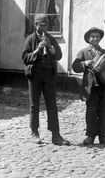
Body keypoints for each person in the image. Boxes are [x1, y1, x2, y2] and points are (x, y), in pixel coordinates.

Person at [22, 13, 70, 146]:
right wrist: (37, 51)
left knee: (52, 105)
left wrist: (51, 49)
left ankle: (56, 135)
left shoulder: (50, 38)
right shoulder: (30, 39)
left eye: (45, 25)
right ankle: (34, 132)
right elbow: (25, 58)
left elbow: (59, 56)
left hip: (48, 75)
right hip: (35, 75)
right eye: (40, 25)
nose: (43, 28)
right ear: (35, 25)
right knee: (34, 104)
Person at [71, 27, 105, 146]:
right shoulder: (84, 52)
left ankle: (103, 136)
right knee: (91, 112)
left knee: (104, 111)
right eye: (92, 36)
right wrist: (84, 63)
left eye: (97, 36)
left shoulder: (104, 52)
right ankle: (90, 136)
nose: (95, 38)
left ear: (100, 38)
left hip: (104, 87)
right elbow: (74, 66)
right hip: (90, 88)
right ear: (88, 39)